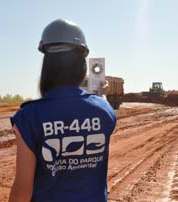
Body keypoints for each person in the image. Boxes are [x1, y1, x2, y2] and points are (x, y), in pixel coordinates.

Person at [8, 19, 118, 202]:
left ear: (47, 66)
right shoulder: (104, 110)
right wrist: (101, 94)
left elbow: (22, 194)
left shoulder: (28, 117)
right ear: (82, 66)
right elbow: (102, 105)